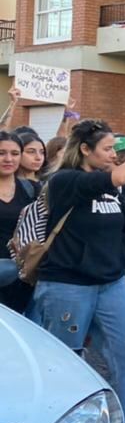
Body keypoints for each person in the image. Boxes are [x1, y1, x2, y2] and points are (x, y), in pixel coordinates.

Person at [32, 120, 125, 423]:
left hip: (110, 282)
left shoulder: (116, 186)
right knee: (66, 361)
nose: (114, 155)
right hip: (67, 284)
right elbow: (117, 175)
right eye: (107, 149)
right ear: (85, 150)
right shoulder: (64, 181)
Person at [0, 130, 36, 314]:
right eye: (1, 153)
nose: (8, 159)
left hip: (23, 275)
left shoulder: (31, 189)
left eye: (14, 154)